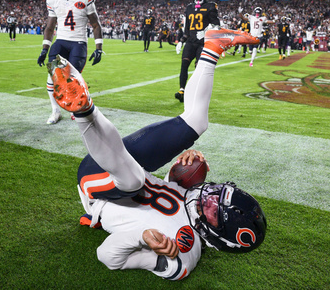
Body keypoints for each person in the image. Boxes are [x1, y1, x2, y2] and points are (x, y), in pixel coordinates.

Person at [46, 26, 266, 280]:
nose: (209, 196)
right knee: (195, 123)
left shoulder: (184, 253)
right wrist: (187, 160)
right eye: (218, 194)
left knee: (134, 181)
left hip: (99, 188)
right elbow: (171, 183)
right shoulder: (192, 198)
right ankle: (213, 47)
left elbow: (107, 256)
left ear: (217, 236)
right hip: (121, 163)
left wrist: (141, 238)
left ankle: (84, 111)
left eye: (214, 208)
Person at [36, 0, 104, 125]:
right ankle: (56, 111)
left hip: (78, 42)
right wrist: (44, 48)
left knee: (73, 79)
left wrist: (99, 48)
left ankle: (78, 108)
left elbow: (95, 24)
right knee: (52, 76)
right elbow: (50, 27)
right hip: (60, 41)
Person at [175, 0, 219, 103]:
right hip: (191, 41)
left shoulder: (211, 6)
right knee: (184, 65)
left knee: (199, 68)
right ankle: (182, 90)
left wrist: (205, 31)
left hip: (203, 43)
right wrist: (181, 41)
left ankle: (195, 92)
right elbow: (187, 28)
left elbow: (216, 25)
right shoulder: (189, 7)